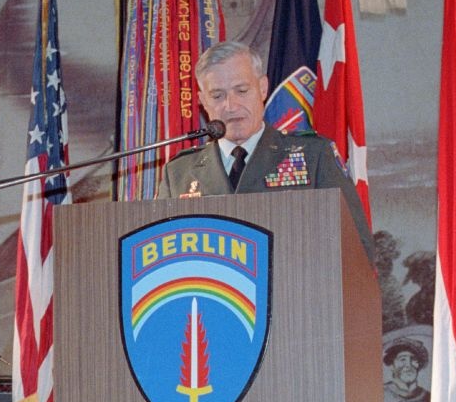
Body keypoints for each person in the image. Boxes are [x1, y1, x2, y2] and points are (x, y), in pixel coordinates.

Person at [154, 40, 373, 260]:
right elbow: (160, 254)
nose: (230, 105)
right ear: (202, 101)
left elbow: (357, 247)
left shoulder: (313, 157)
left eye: (241, 90)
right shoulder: (179, 173)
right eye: (217, 96)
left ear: (263, 88)